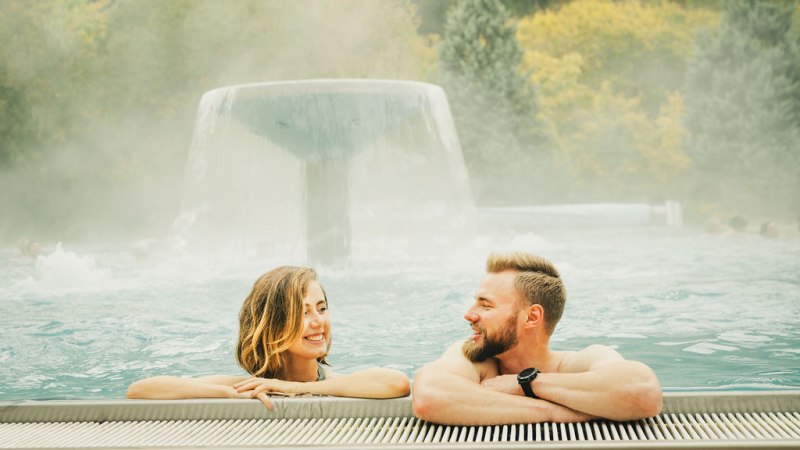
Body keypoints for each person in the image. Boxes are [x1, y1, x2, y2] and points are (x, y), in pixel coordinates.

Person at [412, 252, 662, 425]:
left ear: (532, 317)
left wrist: (527, 384)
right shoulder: (476, 357)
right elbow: (429, 396)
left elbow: (642, 392)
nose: (469, 315)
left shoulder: (578, 363)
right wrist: (551, 412)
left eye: (486, 306)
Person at [127, 266, 410, 408]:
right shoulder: (246, 386)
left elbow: (397, 383)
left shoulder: (333, 383)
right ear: (272, 325)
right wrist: (226, 394)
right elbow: (141, 391)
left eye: (321, 309)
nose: (318, 322)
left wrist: (294, 389)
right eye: (303, 312)